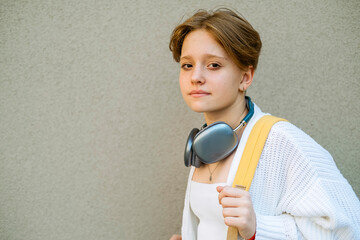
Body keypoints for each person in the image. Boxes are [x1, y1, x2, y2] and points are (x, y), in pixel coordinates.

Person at [168, 8, 360, 240]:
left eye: (214, 65)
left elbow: (350, 228)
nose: (195, 76)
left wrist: (259, 228)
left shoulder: (282, 141)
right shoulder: (202, 145)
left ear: (245, 77)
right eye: (187, 65)